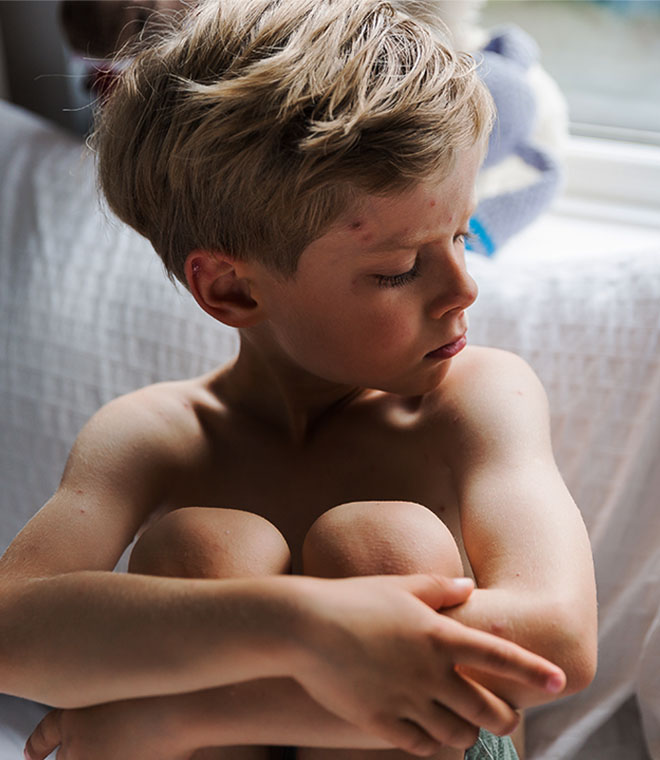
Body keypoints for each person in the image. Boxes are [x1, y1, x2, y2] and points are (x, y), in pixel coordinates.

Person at [0, 0, 597, 758]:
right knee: (203, 546)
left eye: (459, 235)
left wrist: (181, 717)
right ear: (232, 290)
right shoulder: (156, 433)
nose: (463, 289)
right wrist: (301, 626)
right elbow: (9, 627)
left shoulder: (476, 398)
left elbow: (560, 644)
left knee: (380, 541)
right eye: (399, 269)